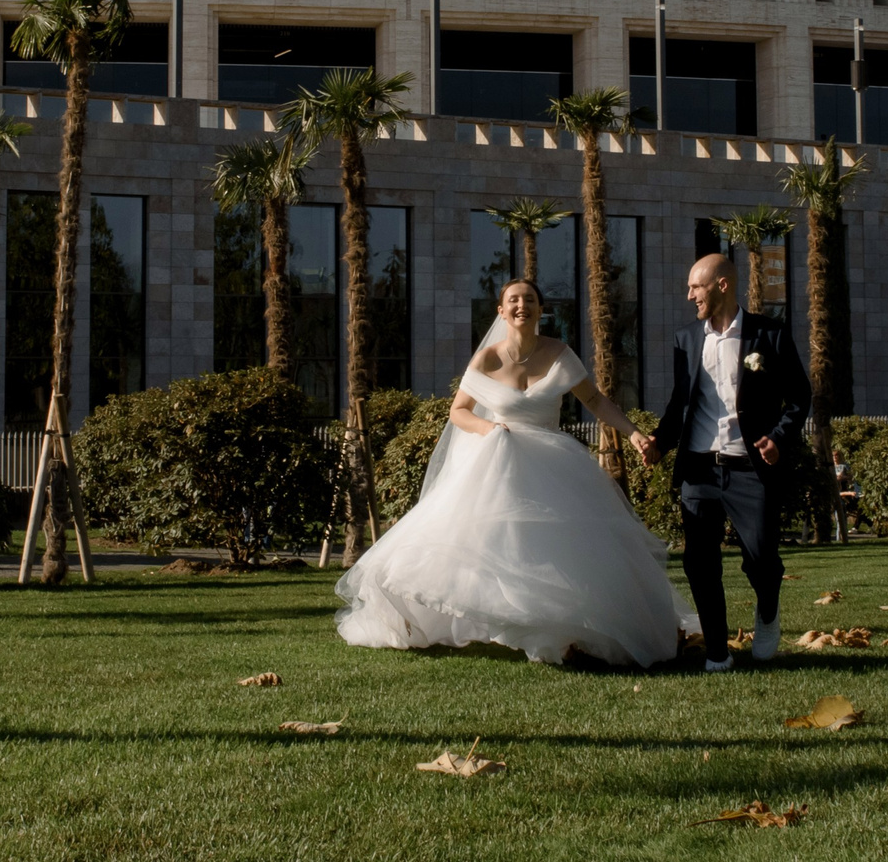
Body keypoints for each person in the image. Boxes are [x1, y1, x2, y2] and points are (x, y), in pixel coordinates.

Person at [333, 280, 694, 667]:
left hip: (554, 466)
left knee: (561, 551)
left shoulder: (559, 354)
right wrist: (488, 429)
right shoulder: (486, 359)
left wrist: (636, 434)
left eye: (530, 300)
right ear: (501, 312)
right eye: (513, 300)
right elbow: (459, 411)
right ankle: (504, 621)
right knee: (488, 545)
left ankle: (561, 629)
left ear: (541, 310)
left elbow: (595, 400)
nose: (522, 306)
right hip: (498, 462)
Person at [647, 253, 813, 672]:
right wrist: (660, 444)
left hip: (749, 469)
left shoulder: (769, 335)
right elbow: (680, 404)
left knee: (761, 558)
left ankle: (768, 611)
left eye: (695, 287)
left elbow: (799, 397)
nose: (689, 296)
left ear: (721, 285)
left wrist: (777, 438)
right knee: (699, 563)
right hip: (699, 469)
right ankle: (718, 653)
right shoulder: (686, 338)